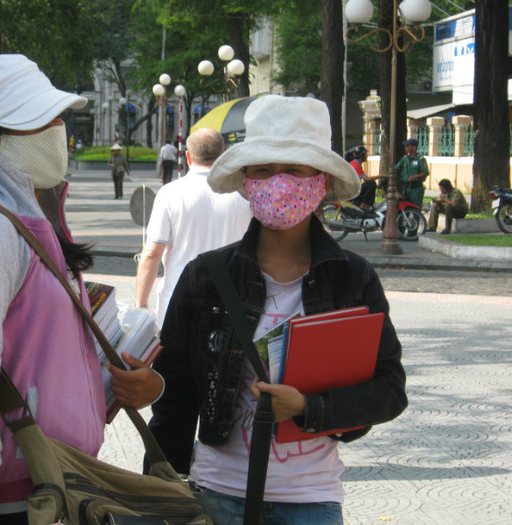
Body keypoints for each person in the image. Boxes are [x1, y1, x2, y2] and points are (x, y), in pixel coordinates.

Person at [148, 95, 407, 525]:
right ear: (246, 180)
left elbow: (389, 389)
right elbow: (174, 399)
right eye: (264, 169)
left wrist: (309, 406)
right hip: (215, 496)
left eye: (295, 169)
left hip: (312, 502)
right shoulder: (205, 277)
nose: (278, 181)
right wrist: (158, 493)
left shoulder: (352, 278)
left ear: (320, 180)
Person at [0, 53, 159, 525]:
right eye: (39, 120)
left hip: (62, 484)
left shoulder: (36, 222)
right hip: (21, 499)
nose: (58, 128)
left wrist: (124, 387)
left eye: (56, 116)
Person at [135, 128, 253, 325]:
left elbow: (152, 253)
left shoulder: (170, 194)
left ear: (188, 156)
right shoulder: (244, 194)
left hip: (179, 301)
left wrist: (141, 305)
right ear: (223, 152)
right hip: (232, 302)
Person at [346, 145, 384, 210]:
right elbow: (367, 179)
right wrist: (381, 175)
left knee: (371, 185)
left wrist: (378, 186)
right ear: (361, 155)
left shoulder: (356, 163)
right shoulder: (355, 164)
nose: (367, 156)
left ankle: (366, 205)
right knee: (371, 184)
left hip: (354, 189)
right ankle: (364, 205)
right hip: (352, 191)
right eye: (365, 154)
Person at [396, 138, 429, 208]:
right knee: (404, 208)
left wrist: (415, 176)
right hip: (406, 188)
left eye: (408, 146)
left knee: (415, 208)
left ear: (414, 147)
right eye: (405, 146)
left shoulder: (420, 159)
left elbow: (425, 172)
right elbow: (396, 168)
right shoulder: (405, 159)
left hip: (416, 188)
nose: (406, 148)